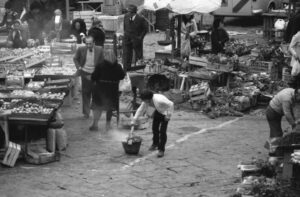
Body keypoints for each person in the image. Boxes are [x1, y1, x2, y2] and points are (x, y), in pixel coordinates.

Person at [90, 49, 125, 131]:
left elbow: (94, 77)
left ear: (105, 56)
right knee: (109, 107)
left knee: (97, 107)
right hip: (112, 90)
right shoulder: (118, 66)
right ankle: (108, 125)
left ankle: (95, 124)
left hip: (100, 89)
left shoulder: (100, 65)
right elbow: (122, 76)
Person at [131, 90, 174, 158]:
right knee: (154, 128)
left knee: (162, 132)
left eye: (144, 100)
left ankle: (161, 150)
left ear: (149, 99)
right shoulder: (146, 101)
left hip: (165, 113)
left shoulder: (159, 100)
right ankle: (155, 144)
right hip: (158, 111)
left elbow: (171, 104)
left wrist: (168, 115)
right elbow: (140, 109)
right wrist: (134, 119)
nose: (144, 102)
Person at [73, 36, 104, 119]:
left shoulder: (100, 49)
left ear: (94, 43)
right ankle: (86, 113)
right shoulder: (81, 49)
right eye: (87, 44)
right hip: (85, 73)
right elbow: (75, 58)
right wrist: (79, 67)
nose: (88, 45)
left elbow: (103, 61)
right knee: (86, 93)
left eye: (90, 44)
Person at [122, 4, 148, 71]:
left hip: (136, 39)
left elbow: (145, 29)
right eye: (128, 12)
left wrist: (140, 37)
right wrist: (125, 34)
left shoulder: (140, 19)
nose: (129, 14)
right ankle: (126, 69)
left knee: (138, 56)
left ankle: (139, 69)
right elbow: (125, 27)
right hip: (127, 38)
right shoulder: (126, 16)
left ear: (134, 13)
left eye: (130, 12)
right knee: (126, 55)